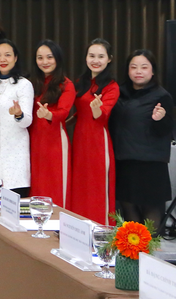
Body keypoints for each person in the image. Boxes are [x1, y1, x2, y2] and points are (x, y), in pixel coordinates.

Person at [110, 50, 174, 229]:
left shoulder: (162, 96)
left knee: (151, 212)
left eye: (144, 67)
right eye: (134, 67)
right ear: (128, 71)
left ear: (152, 71)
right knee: (127, 210)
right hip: (124, 161)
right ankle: (133, 254)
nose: (139, 71)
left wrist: (159, 120)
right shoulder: (118, 92)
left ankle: (148, 253)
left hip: (151, 165)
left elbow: (166, 131)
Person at [67, 38, 120, 225]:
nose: (95, 60)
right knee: (80, 187)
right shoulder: (80, 82)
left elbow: (103, 114)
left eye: (100, 56)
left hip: (99, 142)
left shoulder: (111, 86)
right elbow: (78, 111)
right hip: (80, 141)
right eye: (91, 56)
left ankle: (100, 232)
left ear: (109, 59)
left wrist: (96, 108)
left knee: (97, 188)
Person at [27, 40, 75, 206]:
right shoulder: (31, 84)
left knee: (55, 188)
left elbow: (63, 113)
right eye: (40, 58)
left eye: (49, 57)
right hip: (33, 142)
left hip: (55, 143)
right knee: (36, 187)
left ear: (58, 59)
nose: (44, 62)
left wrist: (48, 115)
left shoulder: (66, 85)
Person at [0, 40, 33, 197]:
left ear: (16, 58)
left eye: (7, 55)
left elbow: (27, 121)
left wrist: (18, 114)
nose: (2, 59)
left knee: (13, 208)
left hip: (15, 155)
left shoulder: (24, 84)